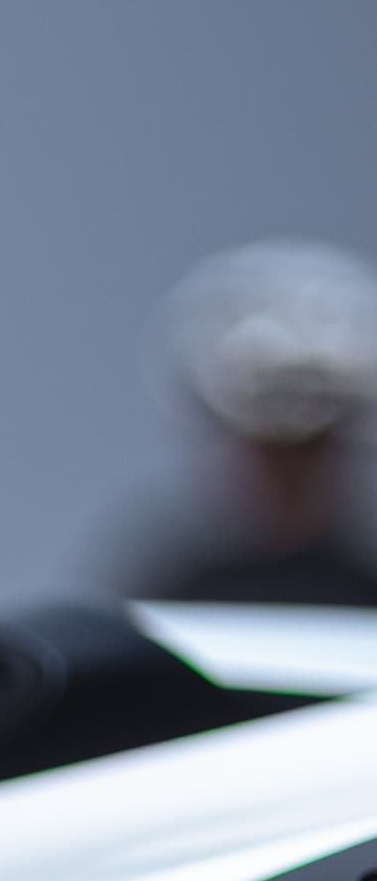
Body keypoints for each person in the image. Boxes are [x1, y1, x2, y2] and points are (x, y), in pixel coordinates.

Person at [120, 237, 377, 614]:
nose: (288, 477)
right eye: (269, 450)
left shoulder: (366, 587)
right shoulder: (167, 594)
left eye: (310, 449)